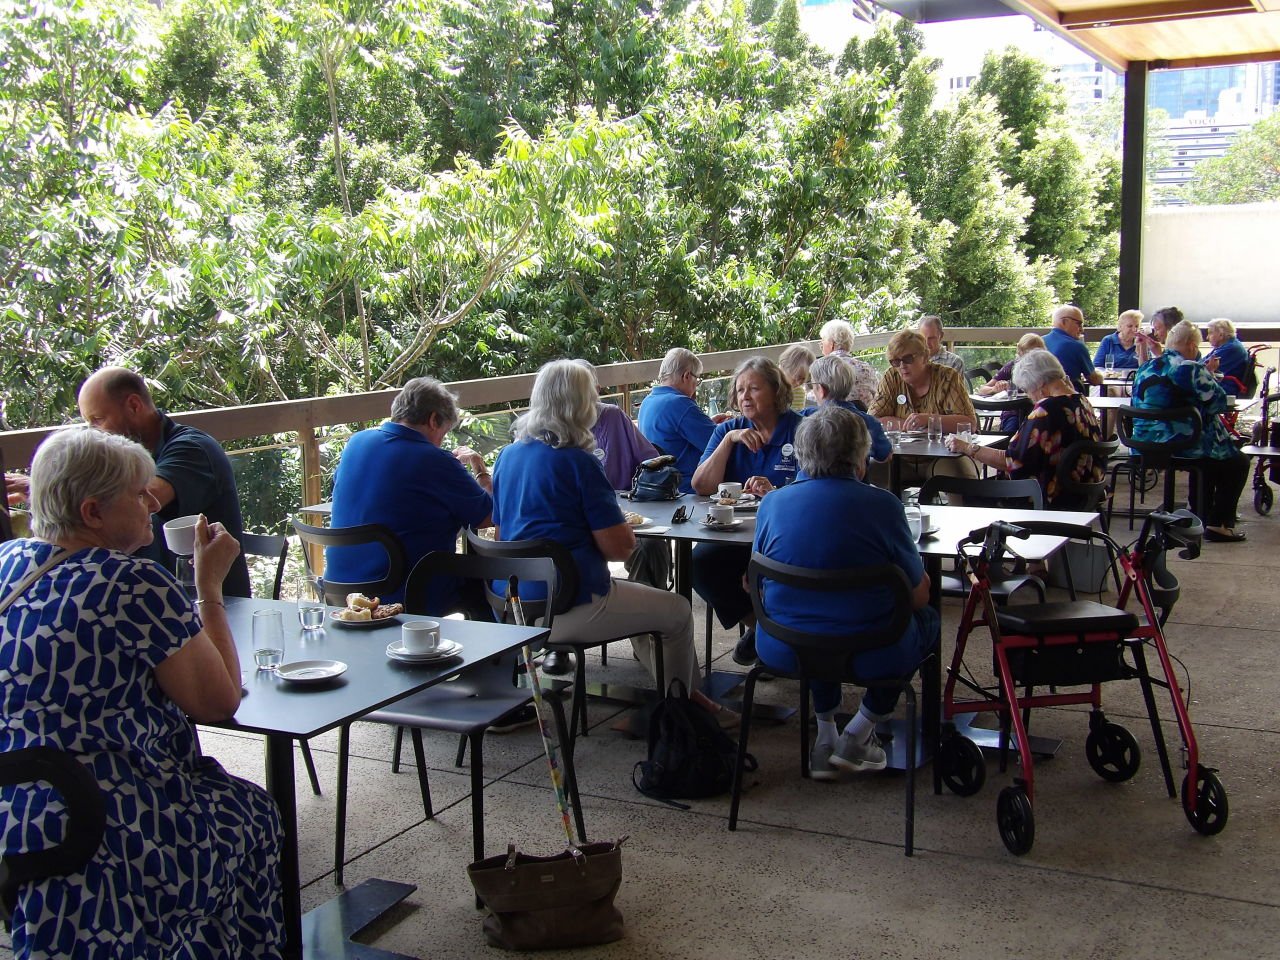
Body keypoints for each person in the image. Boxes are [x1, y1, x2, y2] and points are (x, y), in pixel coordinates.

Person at [0, 426, 283, 957]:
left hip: (15, 815)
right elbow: (220, 700)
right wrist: (209, 588)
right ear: (92, 513)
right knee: (252, 813)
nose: (153, 500)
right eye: (138, 492)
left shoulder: (8, 563)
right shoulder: (130, 583)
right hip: (112, 819)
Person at [489, 360, 734, 724]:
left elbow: (500, 527)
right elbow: (619, 548)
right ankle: (688, 717)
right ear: (582, 405)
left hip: (513, 606)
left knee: (643, 605)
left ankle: (680, 698)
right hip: (570, 604)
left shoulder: (509, 456)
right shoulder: (579, 462)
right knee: (678, 611)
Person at [754, 406, 938, 777]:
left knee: (817, 621)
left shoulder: (772, 503)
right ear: (860, 456)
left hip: (785, 646)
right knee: (927, 621)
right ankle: (860, 731)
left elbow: (753, 582)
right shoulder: (884, 505)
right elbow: (918, 596)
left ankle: (826, 737)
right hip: (875, 650)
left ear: (802, 454)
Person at [35, 366, 255, 597]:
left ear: (134, 405)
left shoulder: (193, 448)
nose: (94, 433)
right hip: (164, 598)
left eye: (98, 420)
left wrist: (52, 489)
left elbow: (126, 498)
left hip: (214, 602)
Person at [327, 377, 492, 612]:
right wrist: (480, 470)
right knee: (485, 581)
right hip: (406, 590)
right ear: (434, 419)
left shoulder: (357, 441)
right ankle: (502, 648)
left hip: (341, 587)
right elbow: (488, 516)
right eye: (444, 433)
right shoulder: (433, 460)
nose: (441, 442)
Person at [692, 357, 804, 666]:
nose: (745, 397)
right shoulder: (729, 430)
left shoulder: (801, 430)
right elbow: (701, 486)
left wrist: (777, 494)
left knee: (772, 571)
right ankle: (765, 631)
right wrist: (729, 441)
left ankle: (783, 638)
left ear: (776, 392)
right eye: (740, 390)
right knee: (699, 562)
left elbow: (816, 489)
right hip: (735, 532)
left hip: (784, 535)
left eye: (754, 388)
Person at [1131, 320, 1250, 543]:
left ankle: (1201, 515)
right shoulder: (1190, 368)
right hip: (1181, 445)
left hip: (1144, 445)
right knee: (1236, 462)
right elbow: (1219, 403)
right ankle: (1219, 524)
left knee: (1209, 457)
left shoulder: (1146, 367)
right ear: (1192, 345)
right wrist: (1209, 375)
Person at [949, 350, 1105, 508]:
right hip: (1082, 494)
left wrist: (967, 447)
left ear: (1039, 385)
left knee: (957, 487)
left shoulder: (1047, 410)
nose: (1029, 396)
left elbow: (1013, 461)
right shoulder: (1082, 401)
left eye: (1028, 390)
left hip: (1046, 498)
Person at [869, 331, 979, 485]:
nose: (901, 366)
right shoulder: (891, 377)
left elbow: (969, 423)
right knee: (869, 469)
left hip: (943, 456)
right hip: (900, 458)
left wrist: (930, 420)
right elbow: (874, 419)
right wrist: (910, 425)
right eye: (895, 361)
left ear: (925, 357)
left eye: (907, 359)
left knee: (956, 475)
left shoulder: (947, 377)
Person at [637, 348, 721, 496]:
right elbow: (718, 444)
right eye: (697, 380)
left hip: (658, 486)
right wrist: (730, 429)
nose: (696, 386)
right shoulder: (680, 404)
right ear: (687, 376)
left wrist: (707, 423)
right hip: (687, 490)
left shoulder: (648, 401)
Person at [573, 359, 659, 490]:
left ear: (596, 390)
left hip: (623, 502)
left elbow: (652, 460)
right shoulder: (556, 427)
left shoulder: (613, 416)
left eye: (584, 390)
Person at [802, 355, 891, 464]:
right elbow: (885, 455)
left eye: (812, 385)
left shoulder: (807, 417)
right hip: (857, 480)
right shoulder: (868, 421)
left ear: (821, 390)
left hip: (814, 479)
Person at [818, 319, 879, 410]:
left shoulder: (823, 368)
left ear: (832, 344)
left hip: (833, 420)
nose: (821, 344)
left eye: (823, 340)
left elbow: (814, 398)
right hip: (863, 420)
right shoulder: (866, 368)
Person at [1044, 305, 1103, 390]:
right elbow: (1094, 380)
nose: (1082, 329)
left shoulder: (1039, 341)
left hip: (1040, 400)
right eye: (1079, 324)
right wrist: (1101, 375)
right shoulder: (1076, 346)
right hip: (1067, 399)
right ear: (1064, 322)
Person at [1204, 318, 1251, 396]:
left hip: (1226, 388)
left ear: (1221, 335)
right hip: (1223, 383)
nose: (1207, 337)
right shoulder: (1227, 345)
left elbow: (1202, 367)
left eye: (1210, 333)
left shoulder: (1230, 348)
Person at [778, 344, 817, 412]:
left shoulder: (799, 393)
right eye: (797, 378)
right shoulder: (772, 388)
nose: (799, 382)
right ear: (784, 368)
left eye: (803, 379)